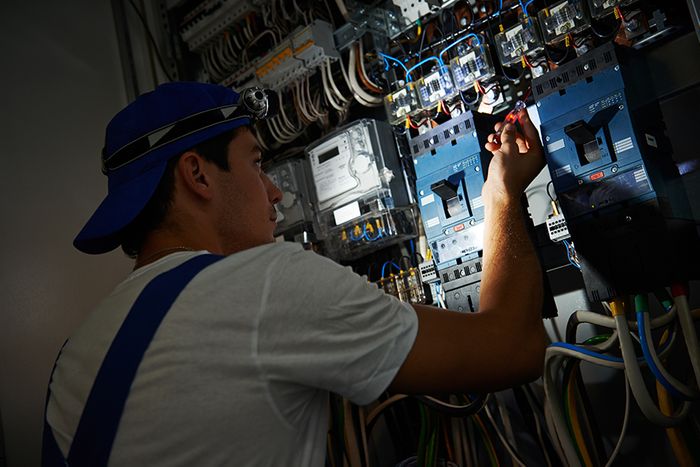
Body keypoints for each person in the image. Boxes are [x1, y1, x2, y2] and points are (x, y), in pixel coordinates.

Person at [43, 82, 546, 466]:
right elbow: (514, 346)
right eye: (256, 164)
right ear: (197, 175)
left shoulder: (75, 356)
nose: (275, 193)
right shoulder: (264, 283)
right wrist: (501, 195)